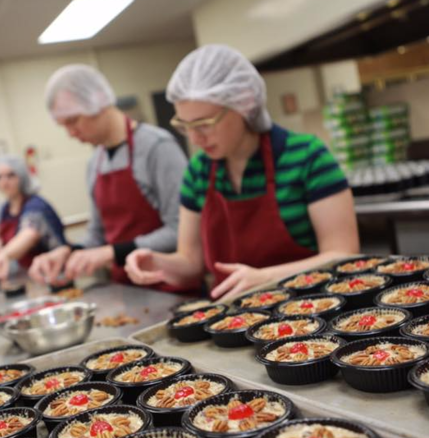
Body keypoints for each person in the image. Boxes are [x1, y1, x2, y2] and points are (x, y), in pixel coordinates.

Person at [125, 45, 359, 300]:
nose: (194, 138)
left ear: (244, 105)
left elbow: (343, 255)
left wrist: (267, 278)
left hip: (312, 312)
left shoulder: (307, 156)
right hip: (232, 321)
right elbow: (191, 263)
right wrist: (157, 262)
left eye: (204, 124)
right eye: (185, 125)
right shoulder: (198, 171)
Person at [29, 64, 188, 289]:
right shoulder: (95, 162)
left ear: (98, 103)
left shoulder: (157, 146)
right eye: (63, 125)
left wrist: (111, 252)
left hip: (171, 285)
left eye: (73, 121)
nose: (71, 133)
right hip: (126, 289)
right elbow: (97, 235)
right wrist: (67, 252)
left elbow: (179, 230)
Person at [0, 155, 67, 281]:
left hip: (54, 272)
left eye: (10, 175)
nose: (4, 182)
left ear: (22, 178)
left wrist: (4, 254)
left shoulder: (35, 205)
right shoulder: (5, 208)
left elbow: (29, 234)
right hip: (28, 274)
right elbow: (5, 236)